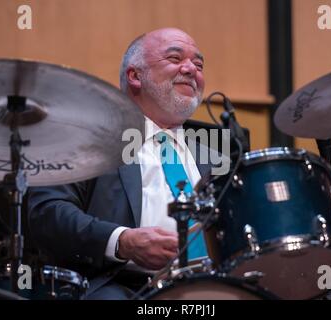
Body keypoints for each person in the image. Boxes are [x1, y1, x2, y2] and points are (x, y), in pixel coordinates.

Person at [28, 27, 216, 299]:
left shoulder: (218, 155)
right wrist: (122, 241)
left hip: (206, 288)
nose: (191, 69)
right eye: (175, 59)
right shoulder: (88, 138)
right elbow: (47, 212)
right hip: (122, 286)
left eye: (198, 64)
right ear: (135, 76)